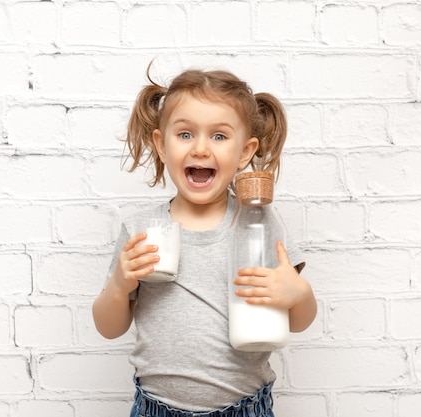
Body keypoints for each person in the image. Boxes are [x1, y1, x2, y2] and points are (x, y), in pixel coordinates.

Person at [92, 64, 317, 417]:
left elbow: (298, 321)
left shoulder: (257, 222)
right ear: (161, 145)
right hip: (156, 408)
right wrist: (120, 285)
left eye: (219, 136)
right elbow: (108, 327)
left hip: (244, 408)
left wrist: (300, 295)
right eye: (184, 135)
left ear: (245, 152)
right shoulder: (143, 230)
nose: (200, 148)